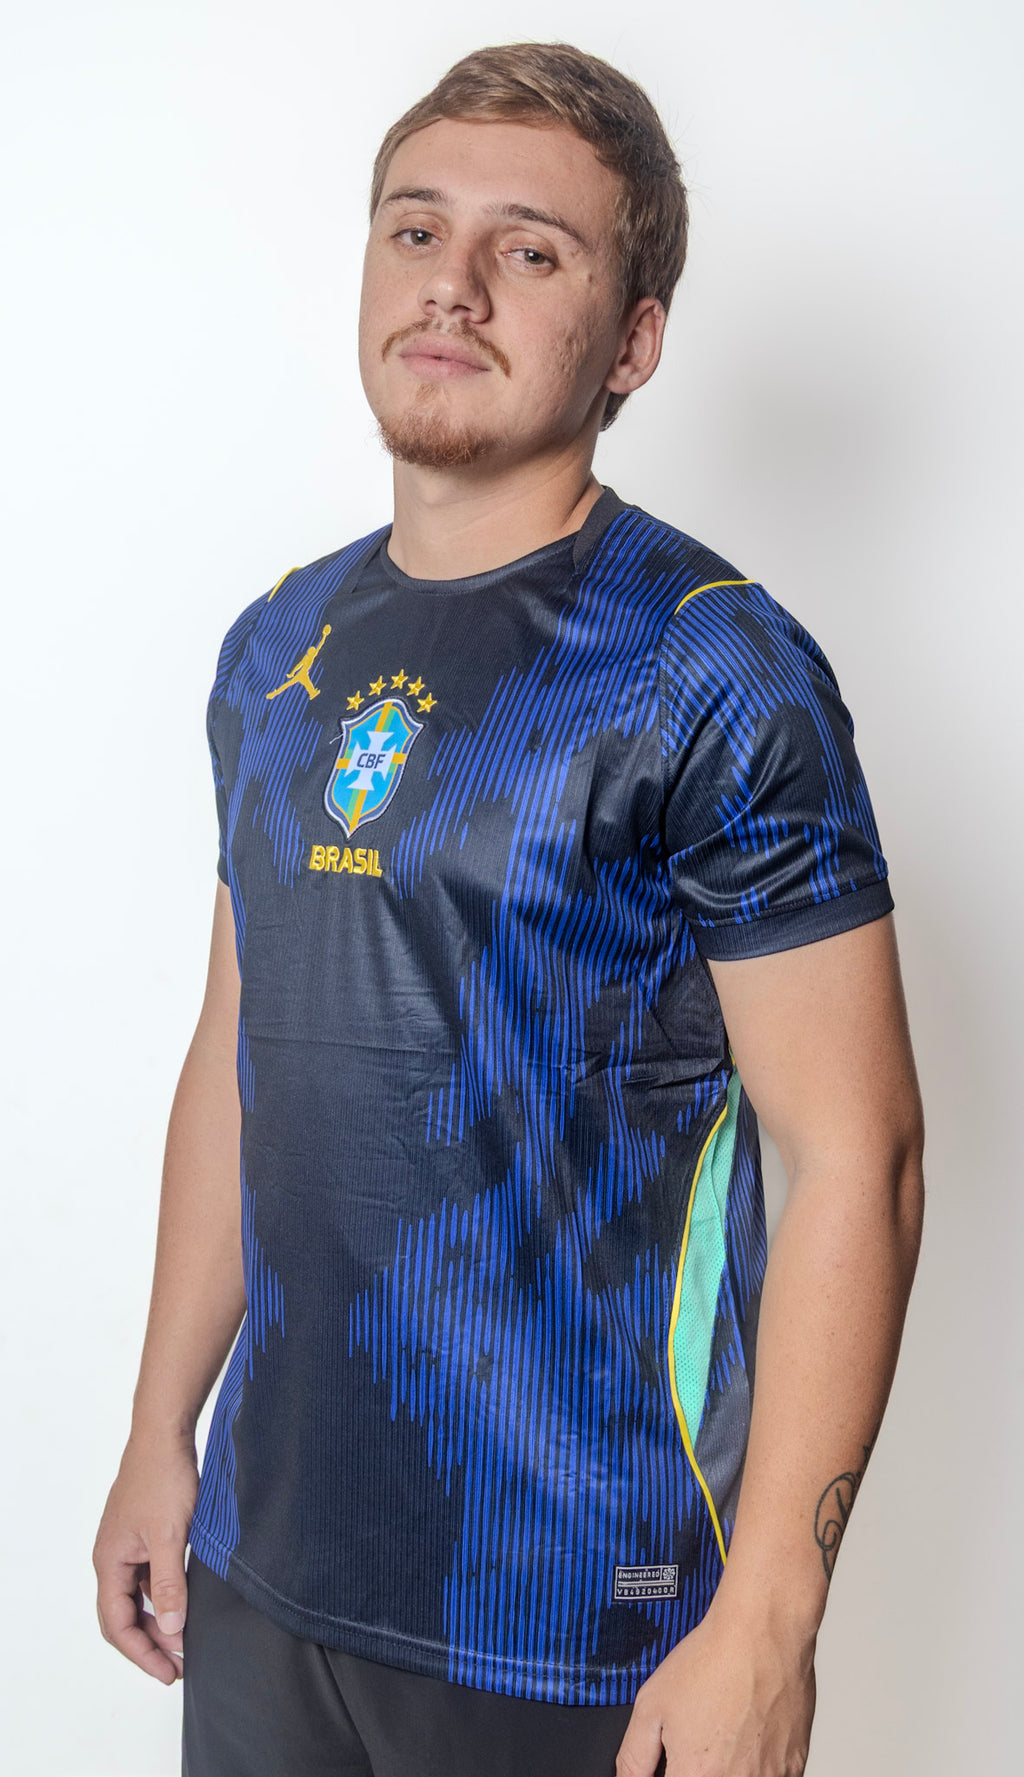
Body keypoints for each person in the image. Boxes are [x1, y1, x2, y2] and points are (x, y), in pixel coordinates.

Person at [92, 40, 925, 1777]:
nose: (452, 285)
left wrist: (769, 1622)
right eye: (416, 230)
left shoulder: (712, 665)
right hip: (267, 1568)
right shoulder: (279, 647)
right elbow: (241, 1052)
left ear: (632, 341)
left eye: (529, 251)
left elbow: (859, 1152)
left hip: (580, 1614)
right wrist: (161, 1428)